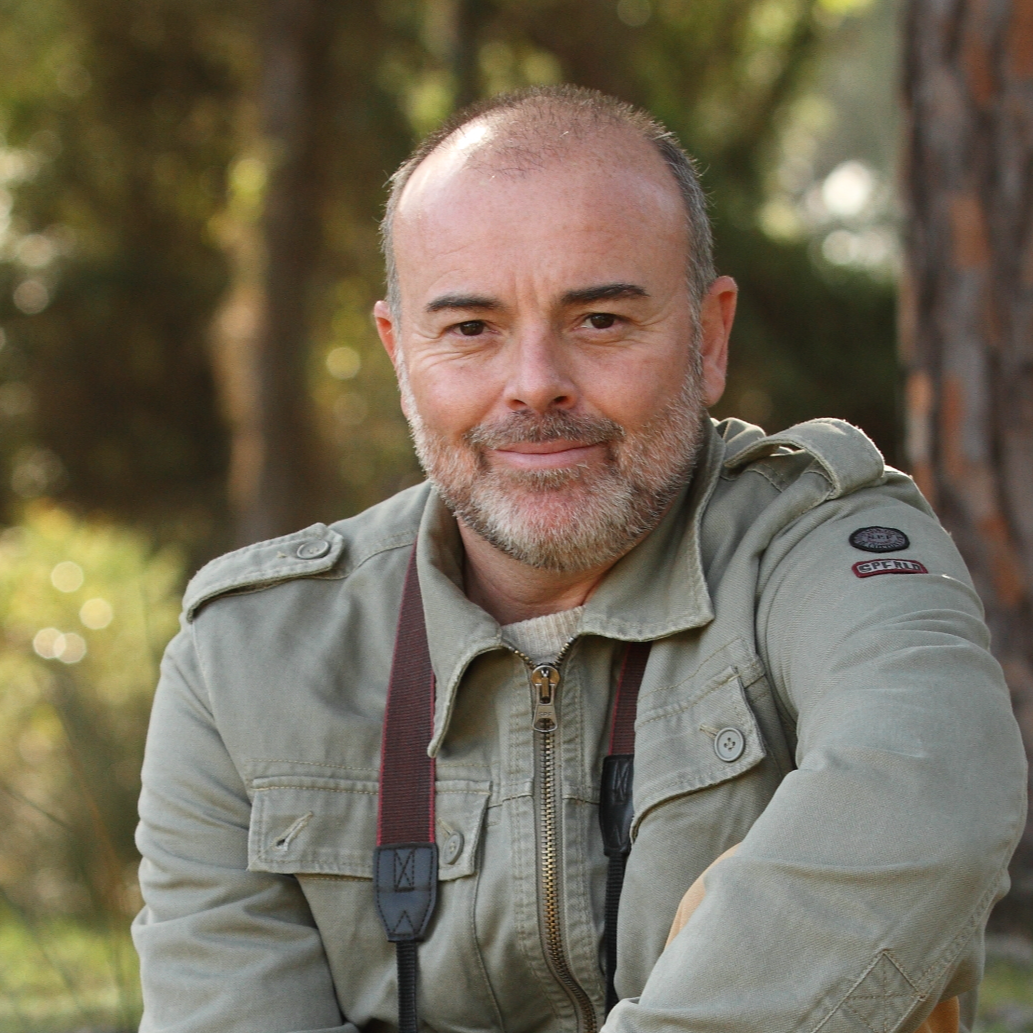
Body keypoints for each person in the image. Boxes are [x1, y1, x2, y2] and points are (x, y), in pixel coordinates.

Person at [132, 86, 1026, 1033]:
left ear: (709, 337)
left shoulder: (821, 545)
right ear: (399, 354)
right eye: (470, 328)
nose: (535, 386)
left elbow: (931, 792)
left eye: (599, 320)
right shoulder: (245, 659)